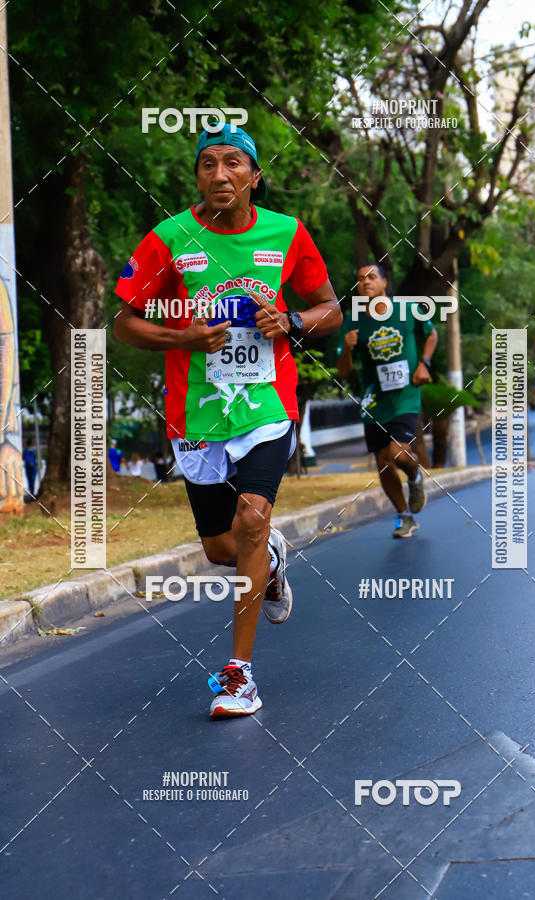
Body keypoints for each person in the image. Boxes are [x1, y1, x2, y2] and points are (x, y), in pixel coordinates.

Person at [114, 122, 341, 719]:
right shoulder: (170, 238)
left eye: (234, 163)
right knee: (221, 548)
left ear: (254, 176)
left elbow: (331, 310)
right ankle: (267, 564)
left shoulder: (287, 233)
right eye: (208, 164)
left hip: (268, 405)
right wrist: (183, 334)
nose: (220, 174)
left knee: (252, 516)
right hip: (196, 413)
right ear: (198, 176)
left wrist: (291, 322)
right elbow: (125, 321)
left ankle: (239, 675)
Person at [337, 263, 438, 538]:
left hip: (405, 394)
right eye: (360, 279)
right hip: (373, 399)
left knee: (397, 451)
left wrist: (424, 364)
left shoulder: (406, 308)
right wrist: (347, 348)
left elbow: (431, 334)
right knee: (383, 461)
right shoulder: (354, 319)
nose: (365, 282)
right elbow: (343, 371)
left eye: (371, 277)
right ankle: (405, 516)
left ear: (384, 283)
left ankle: (415, 478)